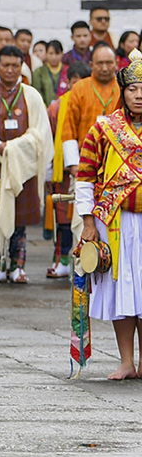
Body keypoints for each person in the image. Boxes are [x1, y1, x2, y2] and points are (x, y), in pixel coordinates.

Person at [74, 52, 142, 380]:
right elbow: (85, 176)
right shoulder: (104, 129)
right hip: (115, 222)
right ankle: (127, 361)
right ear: (123, 91)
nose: (139, 94)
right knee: (122, 291)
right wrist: (88, 222)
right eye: (133, 89)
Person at [0, 45, 52, 283]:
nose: (11, 70)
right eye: (6, 65)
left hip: (21, 169)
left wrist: (15, 150)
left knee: (20, 221)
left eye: (16, 65)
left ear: (22, 67)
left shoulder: (31, 95)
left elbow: (41, 132)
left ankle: (18, 266)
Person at [46, 59, 89, 280]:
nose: (78, 86)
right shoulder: (56, 107)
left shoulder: (92, 104)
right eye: (74, 82)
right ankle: (61, 260)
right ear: (68, 82)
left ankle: (85, 262)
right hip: (62, 172)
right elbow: (47, 138)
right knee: (62, 220)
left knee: (84, 219)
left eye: (83, 82)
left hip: (89, 173)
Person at [61, 43, 121, 180]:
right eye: (100, 63)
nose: (105, 68)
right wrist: (73, 163)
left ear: (116, 63)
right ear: (91, 64)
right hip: (85, 160)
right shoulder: (79, 88)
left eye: (109, 63)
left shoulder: (124, 87)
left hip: (119, 160)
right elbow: (69, 127)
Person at [33, 39, 68, 107]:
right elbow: (37, 92)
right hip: (44, 109)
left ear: (62, 54)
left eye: (57, 53)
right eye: (51, 53)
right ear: (46, 54)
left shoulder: (67, 70)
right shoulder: (39, 72)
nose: (54, 57)